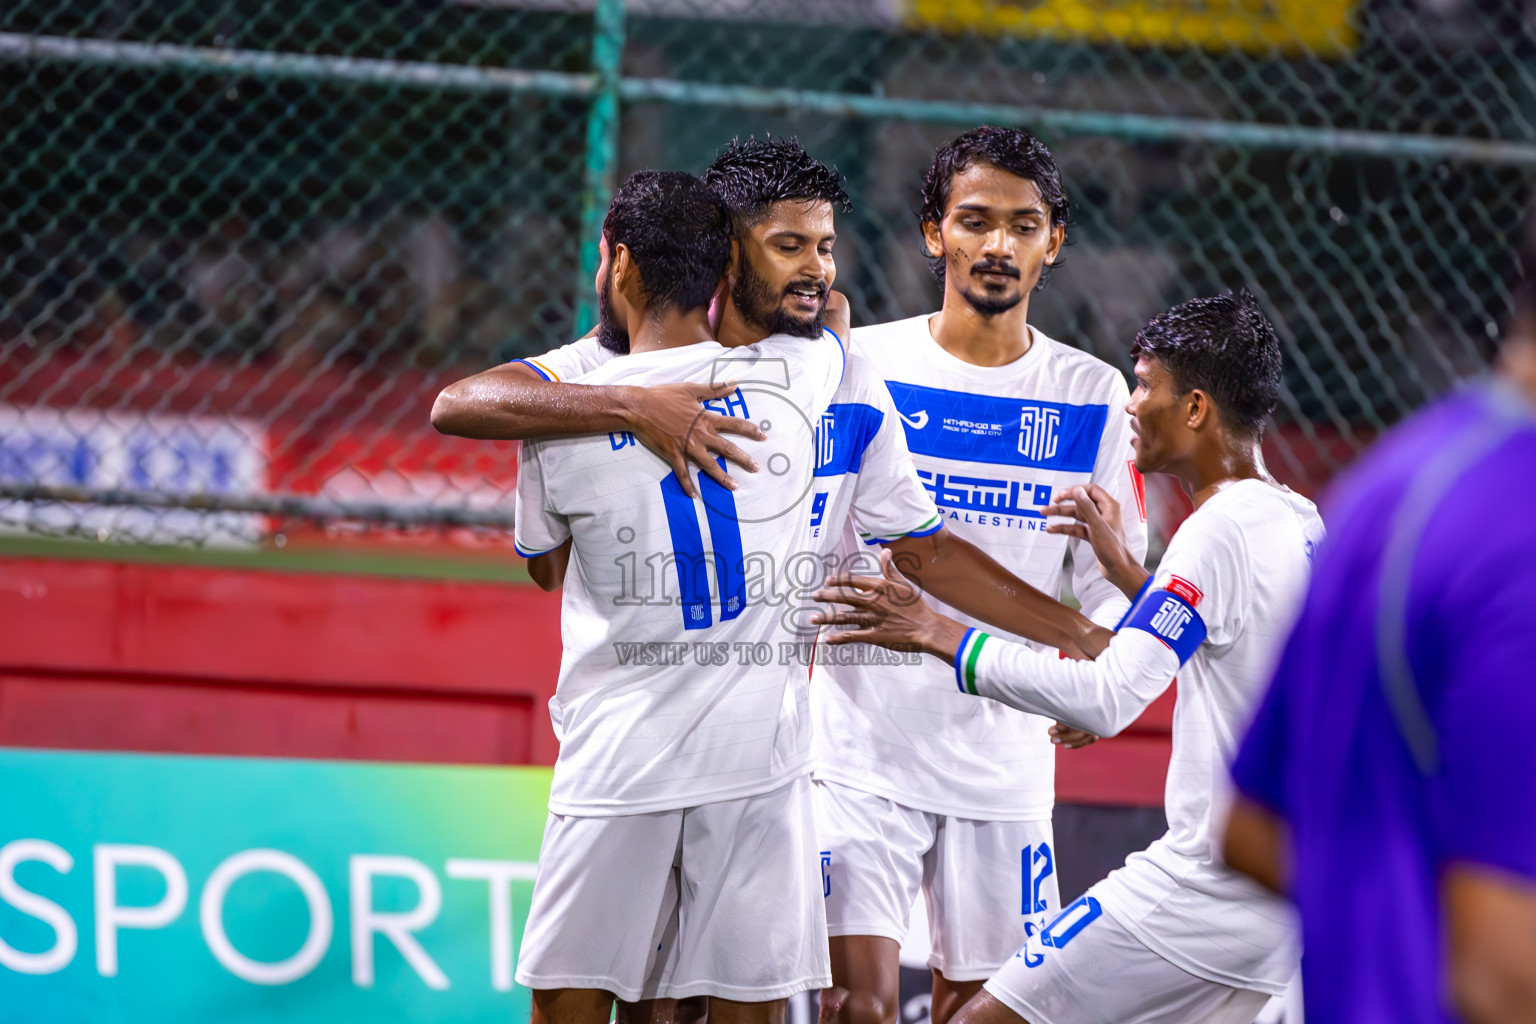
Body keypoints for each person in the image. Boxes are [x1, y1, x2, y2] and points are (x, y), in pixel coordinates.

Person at [815, 290, 1323, 1024]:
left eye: (1147, 385)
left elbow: (1109, 699)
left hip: (1200, 889)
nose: (1130, 404)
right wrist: (1129, 580)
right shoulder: (1293, 519)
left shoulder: (1215, 534)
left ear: (1196, 409)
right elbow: (1222, 634)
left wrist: (939, 632)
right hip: (1282, 902)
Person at [811, 126, 1147, 1024]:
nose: (998, 246)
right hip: (858, 745)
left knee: (981, 1009)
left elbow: (1115, 572)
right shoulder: (860, 363)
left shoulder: (1093, 394)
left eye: (1024, 226)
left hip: (1003, 757)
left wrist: (1100, 665)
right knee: (854, 1006)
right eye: (975, 221)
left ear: (1054, 243)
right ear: (934, 233)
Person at [510, 167, 847, 1024]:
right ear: (726, 271)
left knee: (572, 1005)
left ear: (617, 263)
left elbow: (543, 567)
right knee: (745, 1007)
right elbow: (832, 323)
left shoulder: (556, 408)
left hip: (620, 758)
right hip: (758, 765)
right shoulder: (799, 378)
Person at [1222, 278, 1536, 1023]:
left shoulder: (1392, 481)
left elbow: (1254, 828)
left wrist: (1389, 936)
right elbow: (1504, 974)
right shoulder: (1516, 540)